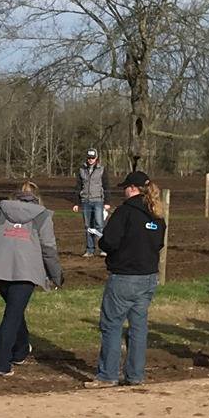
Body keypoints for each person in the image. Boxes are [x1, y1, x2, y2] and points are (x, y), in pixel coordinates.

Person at [0, 180, 63, 377]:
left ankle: (21, 350)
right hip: (26, 272)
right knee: (12, 314)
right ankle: (0, 362)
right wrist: (56, 275)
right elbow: (49, 249)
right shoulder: (42, 215)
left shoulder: (0, 211)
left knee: (15, 310)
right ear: (37, 195)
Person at [96, 171, 167, 384]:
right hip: (148, 277)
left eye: (125, 187)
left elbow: (108, 241)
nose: (124, 191)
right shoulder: (157, 214)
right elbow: (159, 244)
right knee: (138, 327)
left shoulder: (125, 212)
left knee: (112, 324)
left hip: (124, 276)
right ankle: (135, 375)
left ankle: (108, 374)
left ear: (132, 188)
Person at [75, 148, 108, 255]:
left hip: (98, 200)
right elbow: (78, 187)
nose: (90, 160)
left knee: (99, 225)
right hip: (85, 201)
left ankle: (103, 249)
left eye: (93, 158)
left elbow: (106, 186)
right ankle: (90, 249)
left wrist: (107, 201)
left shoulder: (102, 169)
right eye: (89, 158)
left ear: (96, 158)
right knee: (88, 226)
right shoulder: (81, 170)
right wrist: (76, 202)